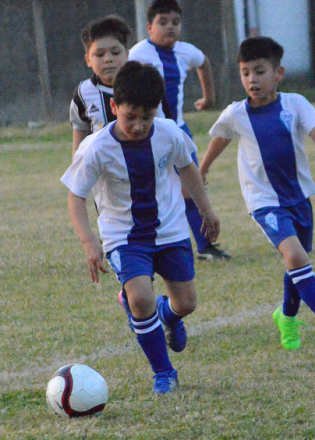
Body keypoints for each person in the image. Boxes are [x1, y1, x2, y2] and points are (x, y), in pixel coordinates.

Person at [61, 61, 221, 393]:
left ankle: (168, 314)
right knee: (140, 299)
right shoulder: (96, 148)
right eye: (130, 116)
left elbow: (188, 169)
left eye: (146, 117)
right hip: (124, 237)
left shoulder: (169, 133)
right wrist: (89, 242)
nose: (138, 125)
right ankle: (164, 372)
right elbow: (75, 197)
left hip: (171, 231)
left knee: (186, 303)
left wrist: (207, 211)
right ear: (114, 107)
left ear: (157, 109)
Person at [200, 37, 315, 351]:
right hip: (264, 201)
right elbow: (221, 138)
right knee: (295, 255)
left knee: (296, 262)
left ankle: (287, 316)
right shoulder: (235, 113)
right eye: (245, 73)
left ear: (278, 73)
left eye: (259, 71)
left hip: (299, 197)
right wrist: (202, 169)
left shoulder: (295, 104)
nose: (252, 79)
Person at [128, 0, 230, 261]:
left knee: (192, 187)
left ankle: (205, 246)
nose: (170, 27)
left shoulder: (186, 51)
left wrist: (209, 97)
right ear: (149, 27)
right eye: (162, 22)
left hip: (179, 131)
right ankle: (143, 244)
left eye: (175, 22)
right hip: (148, 132)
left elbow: (204, 63)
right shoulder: (138, 53)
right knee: (150, 190)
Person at [70, 15, 131, 157]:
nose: (108, 59)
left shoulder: (143, 85)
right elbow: (80, 135)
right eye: (99, 54)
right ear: (88, 60)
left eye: (115, 53)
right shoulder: (83, 94)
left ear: (127, 54)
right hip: (102, 168)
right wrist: (77, 166)